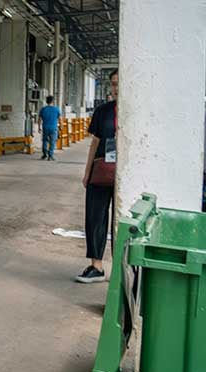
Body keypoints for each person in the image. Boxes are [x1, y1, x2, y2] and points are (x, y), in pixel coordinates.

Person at [76, 69, 118, 283]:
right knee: (95, 217)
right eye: (113, 84)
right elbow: (95, 142)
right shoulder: (103, 111)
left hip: (125, 174)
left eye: (119, 84)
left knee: (120, 222)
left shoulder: (138, 111)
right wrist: (87, 172)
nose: (116, 88)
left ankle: (122, 268)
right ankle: (96, 265)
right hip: (101, 170)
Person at [38, 96, 61, 161]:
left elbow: (39, 119)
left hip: (45, 127)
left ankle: (45, 154)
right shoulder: (56, 109)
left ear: (46, 101)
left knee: (45, 141)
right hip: (53, 128)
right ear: (53, 101)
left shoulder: (43, 109)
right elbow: (60, 119)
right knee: (52, 142)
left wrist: (39, 128)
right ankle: (50, 156)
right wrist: (61, 126)